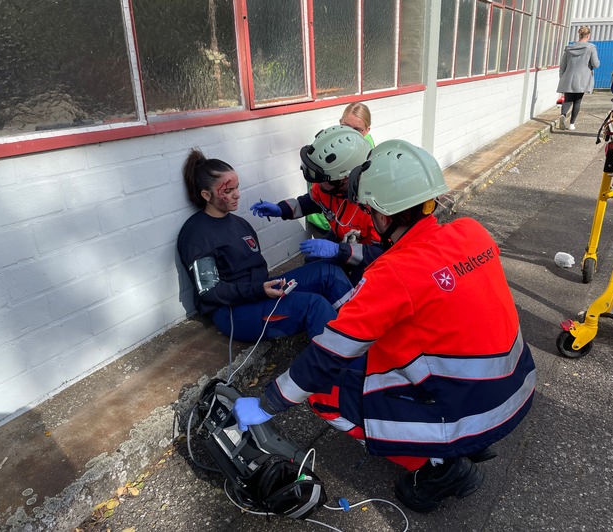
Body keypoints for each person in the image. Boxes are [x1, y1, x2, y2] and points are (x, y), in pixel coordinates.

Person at [233, 140, 536, 513]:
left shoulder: (394, 273)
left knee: (323, 394)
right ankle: (465, 442)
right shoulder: (472, 231)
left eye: (370, 210)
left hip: (470, 408)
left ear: (382, 214)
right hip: (514, 388)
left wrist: (268, 403)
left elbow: (329, 354)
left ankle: (440, 467)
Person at [176, 149, 354, 343]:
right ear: (206, 195)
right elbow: (211, 292)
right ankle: (341, 365)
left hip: (260, 292)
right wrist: (259, 290)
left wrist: (266, 287)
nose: (237, 195)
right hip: (233, 311)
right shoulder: (196, 234)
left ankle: (358, 335)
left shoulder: (239, 224)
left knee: (328, 272)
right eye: (228, 191)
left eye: (237, 187)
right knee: (315, 306)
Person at [250, 125, 383, 284]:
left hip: (369, 259)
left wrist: (338, 251)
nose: (317, 184)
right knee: (313, 264)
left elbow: (380, 253)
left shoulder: (375, 206)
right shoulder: (328, 188)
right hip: (343, 240)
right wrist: (281, 209)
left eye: (322, 179)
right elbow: (309, 202)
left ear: (345, 179)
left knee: (348, 288)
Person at [306, 102, 375, 234]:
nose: (350, 133)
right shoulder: (329, 145)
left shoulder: (369, 158)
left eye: (357, 130)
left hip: (349, 230)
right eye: (346, 126)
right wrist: (284, 209)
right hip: (326, 218)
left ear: (367, 131)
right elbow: (317, 193)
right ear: (340, 123)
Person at [557, 26, 599, 131]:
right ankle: (572, 124)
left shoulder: (569, 49)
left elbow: (562, 66)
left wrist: (562, 77)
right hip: (582, 79)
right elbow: (595, 64)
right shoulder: (591, 48)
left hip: (568, 77)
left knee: (567, 99)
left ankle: (563, 115)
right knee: (577, 101)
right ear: (588, 36)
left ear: (579, 35)